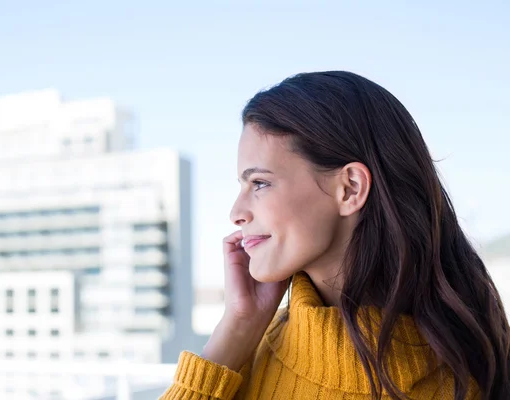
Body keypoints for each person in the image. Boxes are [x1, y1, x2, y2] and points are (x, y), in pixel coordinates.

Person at [160, 71, 510, 399]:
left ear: (350, 188)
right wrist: (235, 331)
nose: (236, 214)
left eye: (260, 183)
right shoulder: (253, 344)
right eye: (243, 184)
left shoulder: (454, 383)